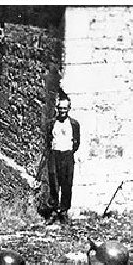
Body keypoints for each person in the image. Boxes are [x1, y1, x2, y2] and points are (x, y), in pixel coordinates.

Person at [44, 95, 80, 225]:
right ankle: (53, 211)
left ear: (69, 109)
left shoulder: (74, 124)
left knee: (66, 183)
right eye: (60, 108)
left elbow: (76, 143)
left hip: (67, 155)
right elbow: (48, 140)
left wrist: (68, 151)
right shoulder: (52, 123)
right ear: (57, 109)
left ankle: (63, 211)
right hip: (55, 154)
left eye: (65, 108)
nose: (62, 111)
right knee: (53, 182)